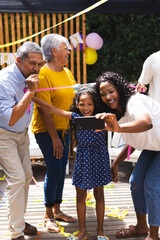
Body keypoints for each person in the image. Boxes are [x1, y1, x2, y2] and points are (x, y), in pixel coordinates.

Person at [33, 87, 112, 240]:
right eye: (82, 104)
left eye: (89, 104)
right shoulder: (75, 117)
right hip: (83, 159)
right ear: (77, 104)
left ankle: (100, 230)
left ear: (95, 104)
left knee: (99, 194)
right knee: (80, 195)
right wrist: (32, 96)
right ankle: (82, 232)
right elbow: (51, 108)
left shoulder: (103, 117)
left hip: (99, 158)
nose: (86, 108)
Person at [95, 71, 160, 240]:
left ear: (119, 89)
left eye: (111, 91)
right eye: (103, 94)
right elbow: (132, 139)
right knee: (136, 181)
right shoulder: (119, 112)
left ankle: (153, 235)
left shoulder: (135, 101)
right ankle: (141, 227)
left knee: (151, 184)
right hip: (155, 147)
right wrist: (115, 163)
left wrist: (117, 128)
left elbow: (146, 122)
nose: (108, 97)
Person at [31, 33, 76, 233]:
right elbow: (44, 108)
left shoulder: (66, 71)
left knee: (61, 168)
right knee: (55, 169)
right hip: (47, 131)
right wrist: (55, 138)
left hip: (65, 129)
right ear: (55, 51)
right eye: (66, 47)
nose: (69, 51)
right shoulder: (44, 74)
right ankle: (48, 214)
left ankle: (57, 210)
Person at [0, 41, 44, 240]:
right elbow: (10, 117)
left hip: (22, 134)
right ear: (18, 61)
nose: (36, 69)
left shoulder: (29, 77)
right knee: (17, 178)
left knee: (26, 176)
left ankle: (19, 220)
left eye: (40, 64)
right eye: (32, 64)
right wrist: (31, 91)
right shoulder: (4, 81)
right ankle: (16, 233)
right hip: (4, 135)